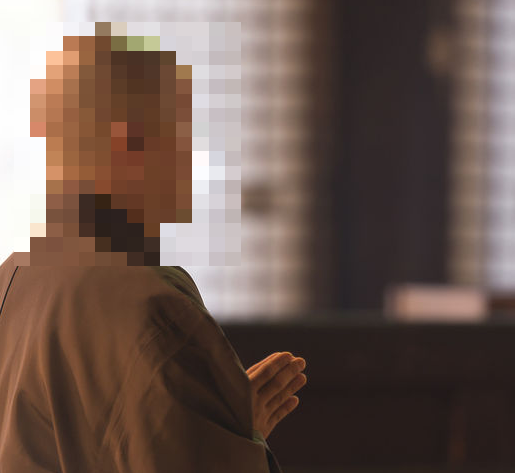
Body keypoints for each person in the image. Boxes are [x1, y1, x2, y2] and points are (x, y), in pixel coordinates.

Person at [0, 23, 305, 472]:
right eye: (182, 132)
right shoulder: (154, 310)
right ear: (129, 142)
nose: (191, 158)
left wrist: (219, 425)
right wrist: (243, 441)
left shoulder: (13, 280)